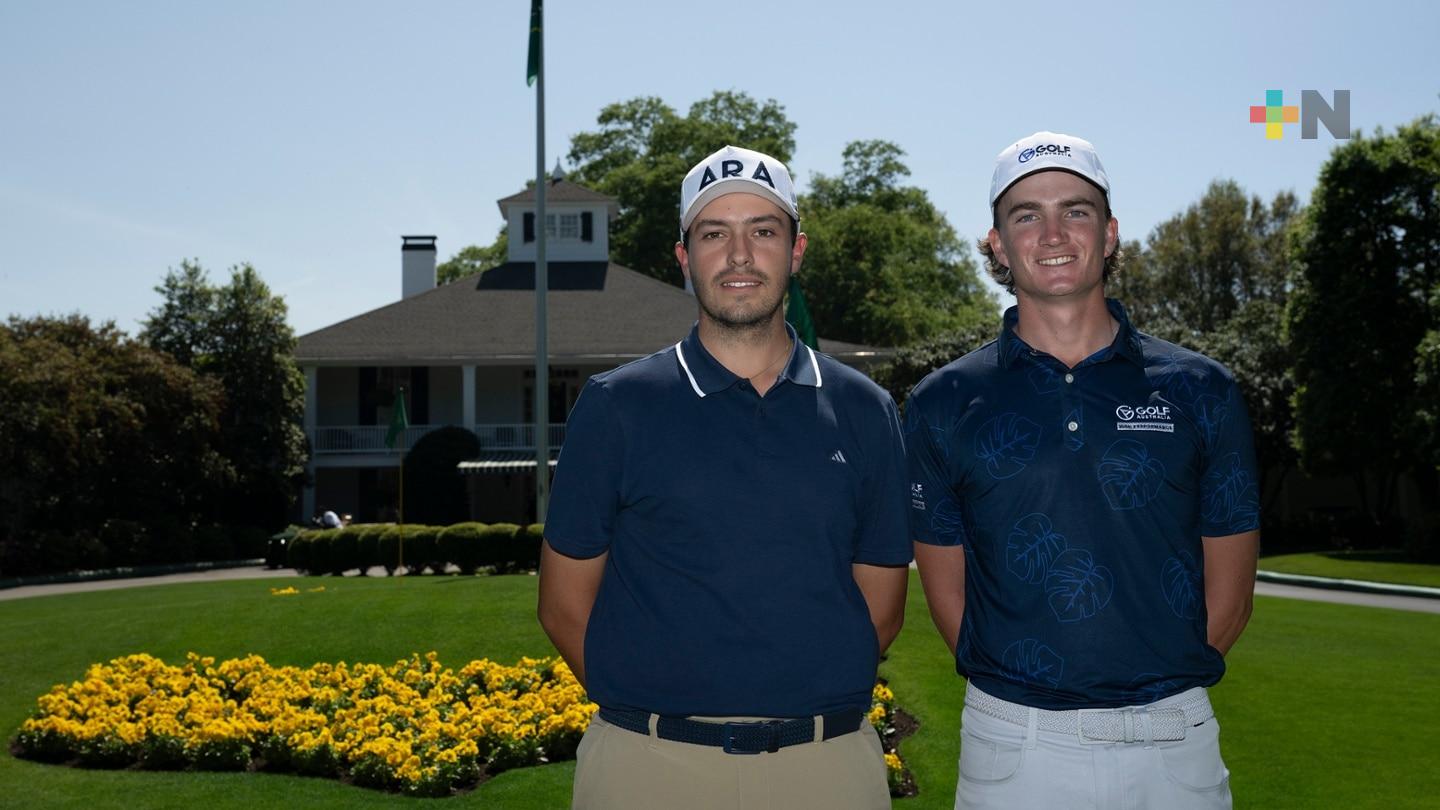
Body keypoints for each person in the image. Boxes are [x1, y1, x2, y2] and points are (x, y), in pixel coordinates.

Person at [538, 144, 911, 810]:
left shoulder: (864, 409)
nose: (739, 255)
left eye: (763, 231)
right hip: (647, 769)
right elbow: (564, 605)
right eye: (714, 233)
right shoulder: (617, 405)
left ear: (795, 251)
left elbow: (880, 611)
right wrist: (656, 712)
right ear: (685, 258)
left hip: (826, 771)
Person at [905, 132, 1260, 809]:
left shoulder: (1201, 390)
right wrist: (1034, 704)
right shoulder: (943, 402)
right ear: (998, 245)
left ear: (1110, 232)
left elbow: (1231, 593)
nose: (1053, 232)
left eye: (1075, 209)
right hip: (1013, 746)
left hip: (1174, 743)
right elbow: (949, 597)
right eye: (1026, 215)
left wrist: (1145, 699)